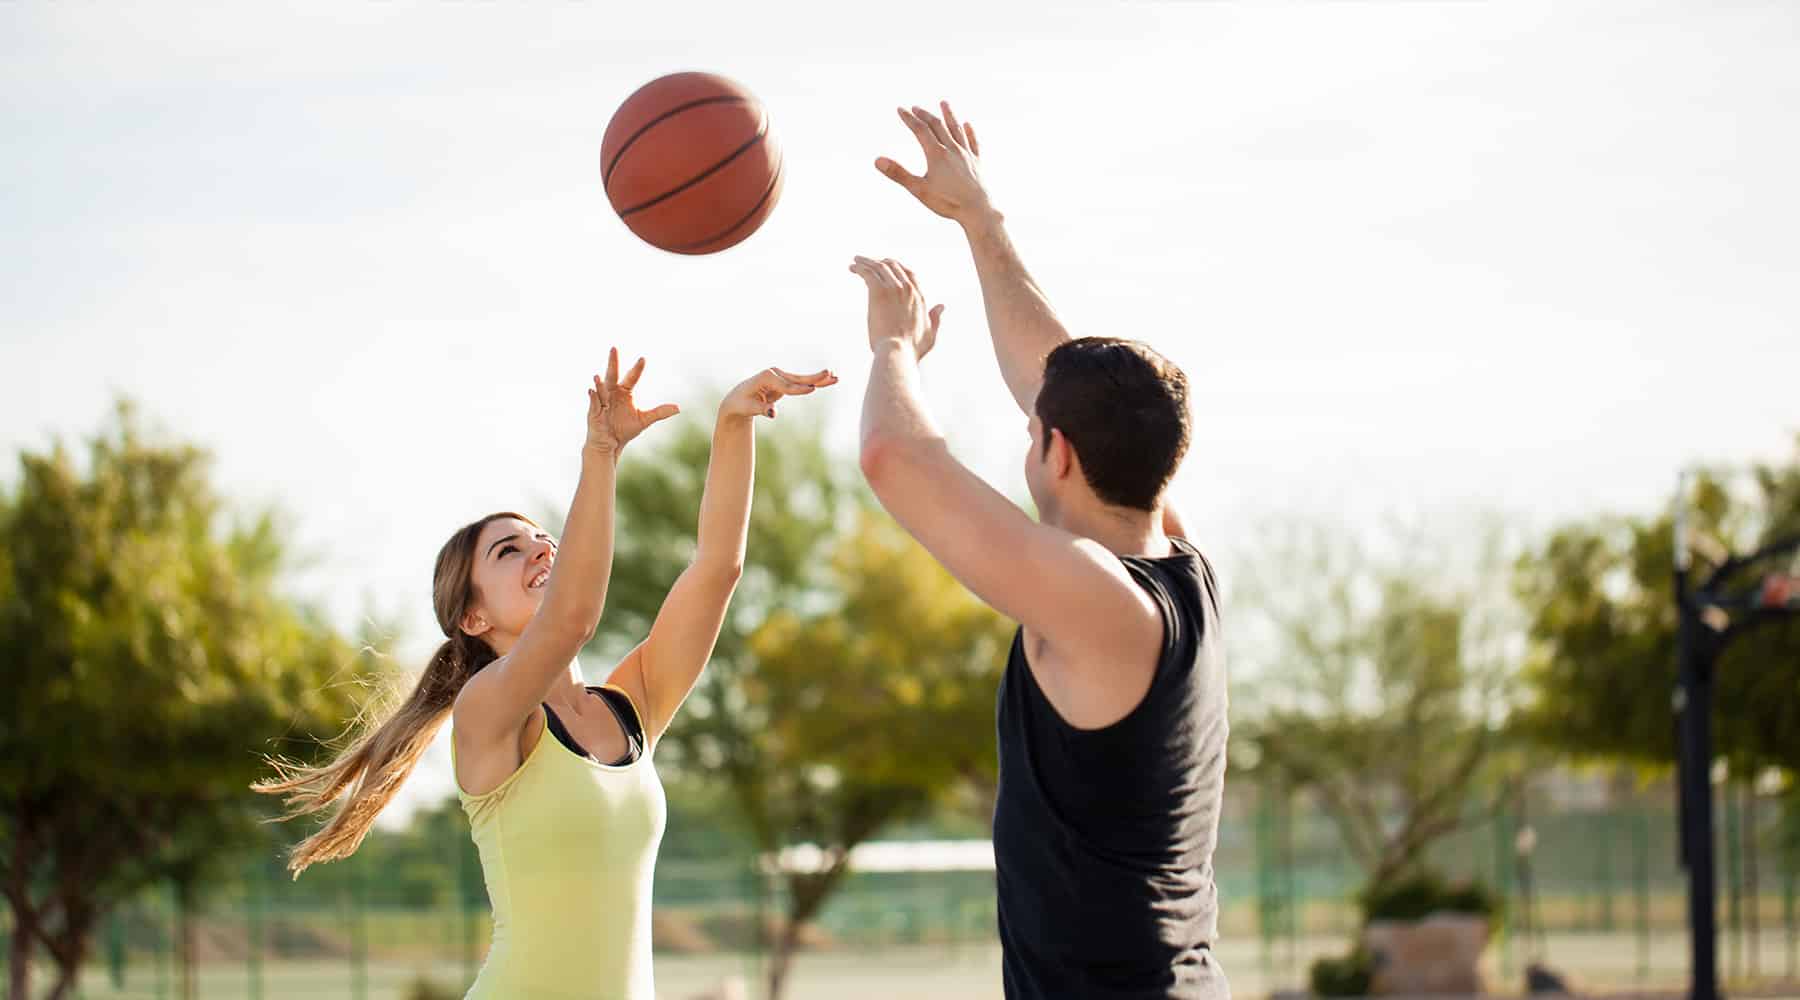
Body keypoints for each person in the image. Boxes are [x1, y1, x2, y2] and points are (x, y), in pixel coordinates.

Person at [255, 351, 835, 998]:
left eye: (543, 539)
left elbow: (716, 569)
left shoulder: (629, 709)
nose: (541, 547)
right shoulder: (487, 712)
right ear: (472, 617)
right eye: (509, 551)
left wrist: (733, 423)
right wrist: (602, 452)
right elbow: (570, 623)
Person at [852, 103, 1229, 999]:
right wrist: (982, 223)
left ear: (1056, 454)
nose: (1031, 435)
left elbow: (894, 458)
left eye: (1035, 432)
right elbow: (1062, 382)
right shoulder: (1177, 563)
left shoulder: (1102, 601)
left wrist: (894, 348)